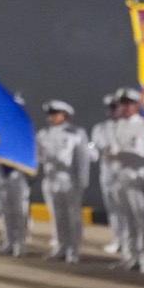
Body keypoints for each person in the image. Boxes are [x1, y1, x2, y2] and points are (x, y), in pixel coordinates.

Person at [112, 88, 144, 274]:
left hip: (138, 179)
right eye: (122, 104)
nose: (125, 107)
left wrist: (118, 153)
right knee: (127, 220)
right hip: (120, 178)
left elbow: (142, 154)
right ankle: (131, 256)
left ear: (137, 105)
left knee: (142, 220)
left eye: (129, 104)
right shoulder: (117, 125)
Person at [37, 101, 89, 263]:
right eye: (49, 114)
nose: (51, 117)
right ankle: (60, 246)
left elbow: (83, 159)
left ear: (64, 115)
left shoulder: (76, 133)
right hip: (50, 180)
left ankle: (73, 250)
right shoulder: (43, 134)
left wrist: (82, 182)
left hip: (69, 180)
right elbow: (38, 157)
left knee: (72, 216)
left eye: (55, 114)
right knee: (57, 216)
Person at [91, 93, 126, 255]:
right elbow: (94, 147)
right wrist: (95, 150)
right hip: (107, 174)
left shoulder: (128, 126)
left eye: (115, 107)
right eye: (109, 108)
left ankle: (129, 241)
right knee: (113, 209)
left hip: (125, 175)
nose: (112, 111)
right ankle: (117, 240)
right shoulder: (99, 128)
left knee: (127, 210)